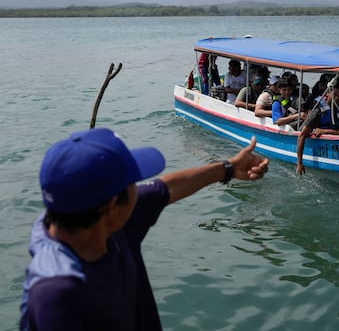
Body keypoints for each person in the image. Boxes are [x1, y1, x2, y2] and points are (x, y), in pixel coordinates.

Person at [20, 128, 268, 330]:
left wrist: (227, 168)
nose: (138, 190)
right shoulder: (57, 293)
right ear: (110, 206)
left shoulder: (92, 218)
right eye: (132, 183)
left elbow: (166, 189)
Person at [296, 85, 339, 174]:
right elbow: (302, 136)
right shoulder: (318, 111)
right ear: (327, 95)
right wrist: (299, 163)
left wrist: (325, 131)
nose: (338, 98)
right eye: (335, 95)